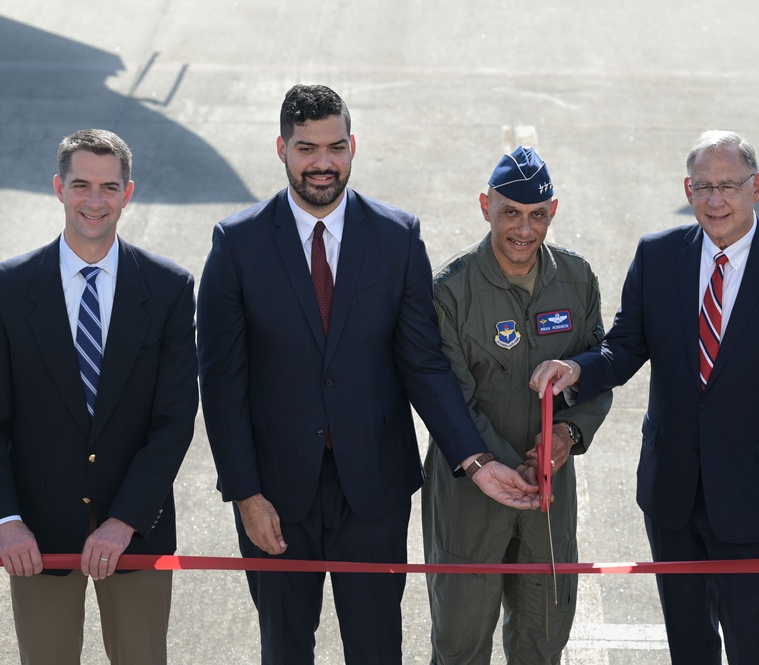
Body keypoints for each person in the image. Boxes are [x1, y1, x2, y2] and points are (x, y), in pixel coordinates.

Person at [197, 84, 540, 665]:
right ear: (281, 148)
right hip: (277, 493)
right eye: (306, 148)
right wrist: (246, 494)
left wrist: (475, 460)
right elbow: (221, 381)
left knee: (378, 647)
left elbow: (424, 364)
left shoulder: (397, 237)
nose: (322, 163)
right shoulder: (237, 244)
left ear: (353, 146)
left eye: (335, 146)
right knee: (283, 648)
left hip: (374, 490)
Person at [530, 130, 759, 664]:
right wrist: (573, 370)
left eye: (728, 186)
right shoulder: (658, 256)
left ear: (757, 188)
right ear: (687, 189)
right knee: (689, 642)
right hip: (672, 491)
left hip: (754, 498)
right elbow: (624, 348)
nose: (715, 200)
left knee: (752, 639)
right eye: (703, 187)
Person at [0, 129, 198, 664]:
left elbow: (175, 418)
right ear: (58, 189)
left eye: (109, 187)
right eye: (81, 185)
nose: (95, 201)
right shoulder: (9, 288)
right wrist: (6, 519)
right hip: (36, 537)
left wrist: (126, 518)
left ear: (127, 193)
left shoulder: (169, 287)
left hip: (137, 529)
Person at [423, 146, 612, 664]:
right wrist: (501, 463)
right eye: (510, 212)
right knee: (460, 644)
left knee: (543, 639)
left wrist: (566, 438)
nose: (523, 229)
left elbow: (596, 373)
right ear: (485, 206)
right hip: (470, 493)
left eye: (537, 215)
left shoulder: (577, 280)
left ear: (553, 212)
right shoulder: (450, 291)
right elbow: (450, 399)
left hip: (548, 490)